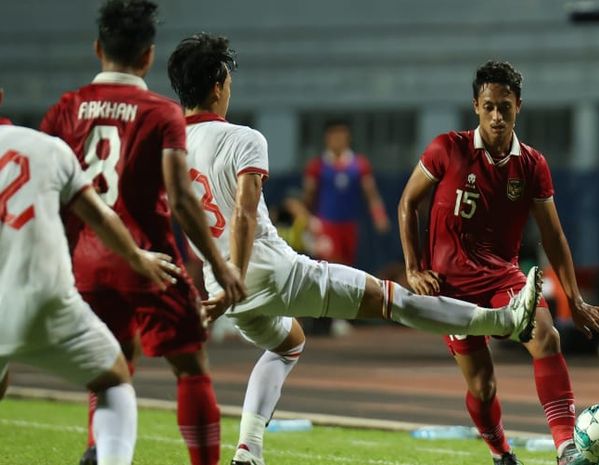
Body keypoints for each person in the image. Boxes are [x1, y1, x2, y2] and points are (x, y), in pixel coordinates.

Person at [167, 33, 543, 465]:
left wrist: (215, 285)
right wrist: (236, 273)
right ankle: (503, 320)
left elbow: (179, 217)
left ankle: (248, 450)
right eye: (228, 80)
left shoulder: (169, 147)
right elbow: (244, 216)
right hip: (268, 271)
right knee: (394, 301)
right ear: (218, 84)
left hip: (225, 288)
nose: (230, 88)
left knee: (288, 343)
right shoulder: (243, 138)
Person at [39, 2, 246, 465]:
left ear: (97, 49)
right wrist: (220, 266)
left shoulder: (64, 110)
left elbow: (47, 193)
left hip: (84, 265)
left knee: (109, 370)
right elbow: (182, 197)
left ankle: (103, 453)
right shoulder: (160, 112)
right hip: (151, 260)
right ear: (149, 56)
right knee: (191, 366)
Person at [397, 61, 599, 465]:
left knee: (547, 337)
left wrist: (576, 300)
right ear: (475, 107)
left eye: (505, 107)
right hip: (452, 289)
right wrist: (413, 268)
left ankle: (566, 447)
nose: (497, 116)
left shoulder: (532, 165)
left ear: (519, 106)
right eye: (488, 107)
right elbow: (409, 202)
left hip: (504, 279)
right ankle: (501, 453)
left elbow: (553, 235)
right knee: (482, 386)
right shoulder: (447, 148)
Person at [0, 88, 181, 465]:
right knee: (114, 378)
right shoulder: (47, 148)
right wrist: (136, 257)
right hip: (45, 298)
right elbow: (98, 215)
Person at [303, 119, 390, 266]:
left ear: (348, 137)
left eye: (341, 135)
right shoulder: (317, 166)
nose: (338, 140)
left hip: (350, 225)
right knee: (328, 267)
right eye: (334, 135)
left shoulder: (360, 164)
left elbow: (371, 194)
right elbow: (308, 196)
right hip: (326, 225)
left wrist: (379, 215)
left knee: (348, 268)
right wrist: (306, 219)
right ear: (327, 138)